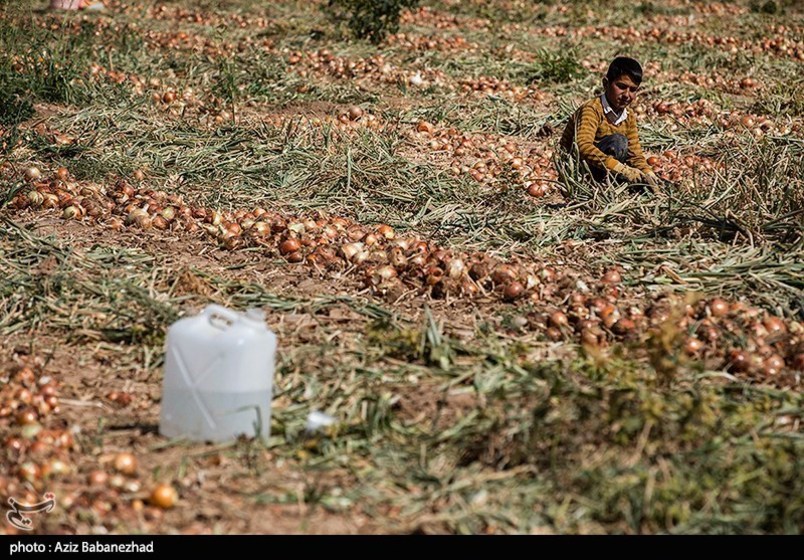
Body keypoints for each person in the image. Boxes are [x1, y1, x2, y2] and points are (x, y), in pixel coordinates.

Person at [559, 56, 659, 188]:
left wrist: (648, 173)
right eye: (621, 86)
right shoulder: (592, 109)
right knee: (619, 141)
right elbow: (582, 146)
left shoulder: (628, 116)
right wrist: (621, 169)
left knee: (647, 181)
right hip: (579, 169)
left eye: (633, 90)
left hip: (608, 167)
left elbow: (634, 155)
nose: (627, 95)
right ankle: (599, 184)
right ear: (606, 83)